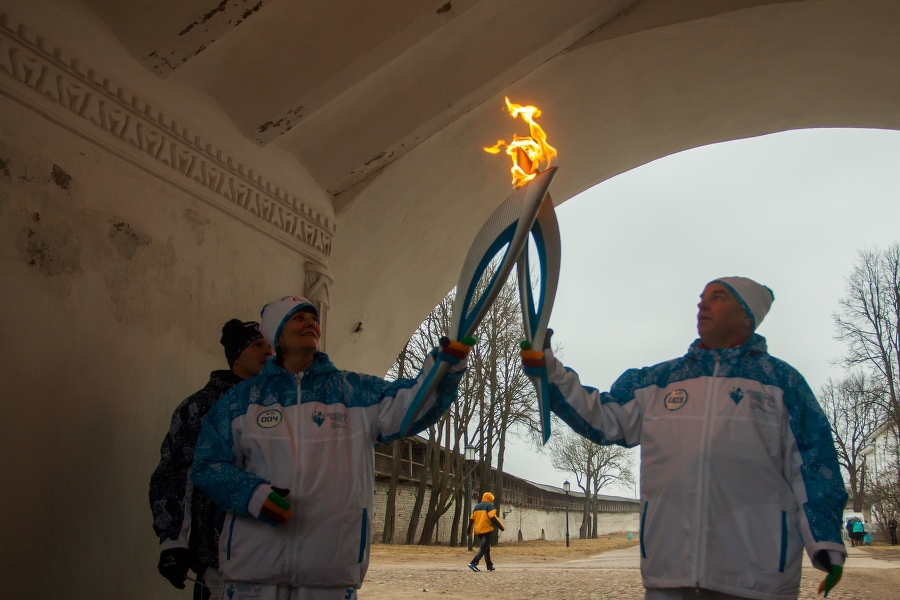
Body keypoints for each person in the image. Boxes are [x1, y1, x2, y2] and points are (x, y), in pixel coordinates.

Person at [522, 277, 848, 599]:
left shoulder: (781, 383)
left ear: (747, 314)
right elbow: (601, 418)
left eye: (718, 297)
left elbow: (814, 464)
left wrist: (826, 542)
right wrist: (549, 372)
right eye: (702, 297)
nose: (702, 303)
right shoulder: (660, 381)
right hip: (669, 576)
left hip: (756, 580)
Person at [191, 296, 473, 600]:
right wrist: (252, 495)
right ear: (277, 333)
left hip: (329, 575)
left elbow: (411, 406)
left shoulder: (353, 391)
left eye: (313, 318)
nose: (310, 322)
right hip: (253, 576)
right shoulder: (243, 400)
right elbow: (207, 465)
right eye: (298, 317)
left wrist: (444, 370)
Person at [150, 319, 273, 599]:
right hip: (220, 562)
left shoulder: (284, 408)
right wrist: (173, 542)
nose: (268, 351)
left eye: (269, 344)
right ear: (236, 358)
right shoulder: (201, 408)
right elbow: (176, 475)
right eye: (257, 345)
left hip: (276, 556)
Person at [467, 492, 506, 572]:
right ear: (490, 499)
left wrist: (469, 532)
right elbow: (493, 517)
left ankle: (489, 565)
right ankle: (474, 562)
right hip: (486, 529)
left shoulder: (476, 507)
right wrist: (501, 527)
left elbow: (471, 520)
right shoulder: (489, 506)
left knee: (486, 548)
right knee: (484, 547)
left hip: (478, 530)